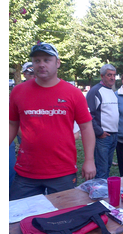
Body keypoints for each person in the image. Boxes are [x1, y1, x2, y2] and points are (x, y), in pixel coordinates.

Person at [9, 42, 96, 200]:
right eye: (37, 60)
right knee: (17, 219)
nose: (41, 64)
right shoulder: (18, 91)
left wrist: (89, 160)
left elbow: (86, 127)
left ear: (57, 63)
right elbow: (12, 124)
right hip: (27, 171)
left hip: (62, 170)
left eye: (47, 60)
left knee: (64, 218)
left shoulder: (73, 93)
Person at [86, 64, 119, 179]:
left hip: (114, 135)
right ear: (102, 76)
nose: (112, 78)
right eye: (109, 75)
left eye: (114, 75)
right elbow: (89, 114)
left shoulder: (112, 92)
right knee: (102, 169)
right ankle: (99, 194)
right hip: (103, 138)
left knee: (107, 167)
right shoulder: (95, 91)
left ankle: (104, 192)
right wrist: (99, 132)